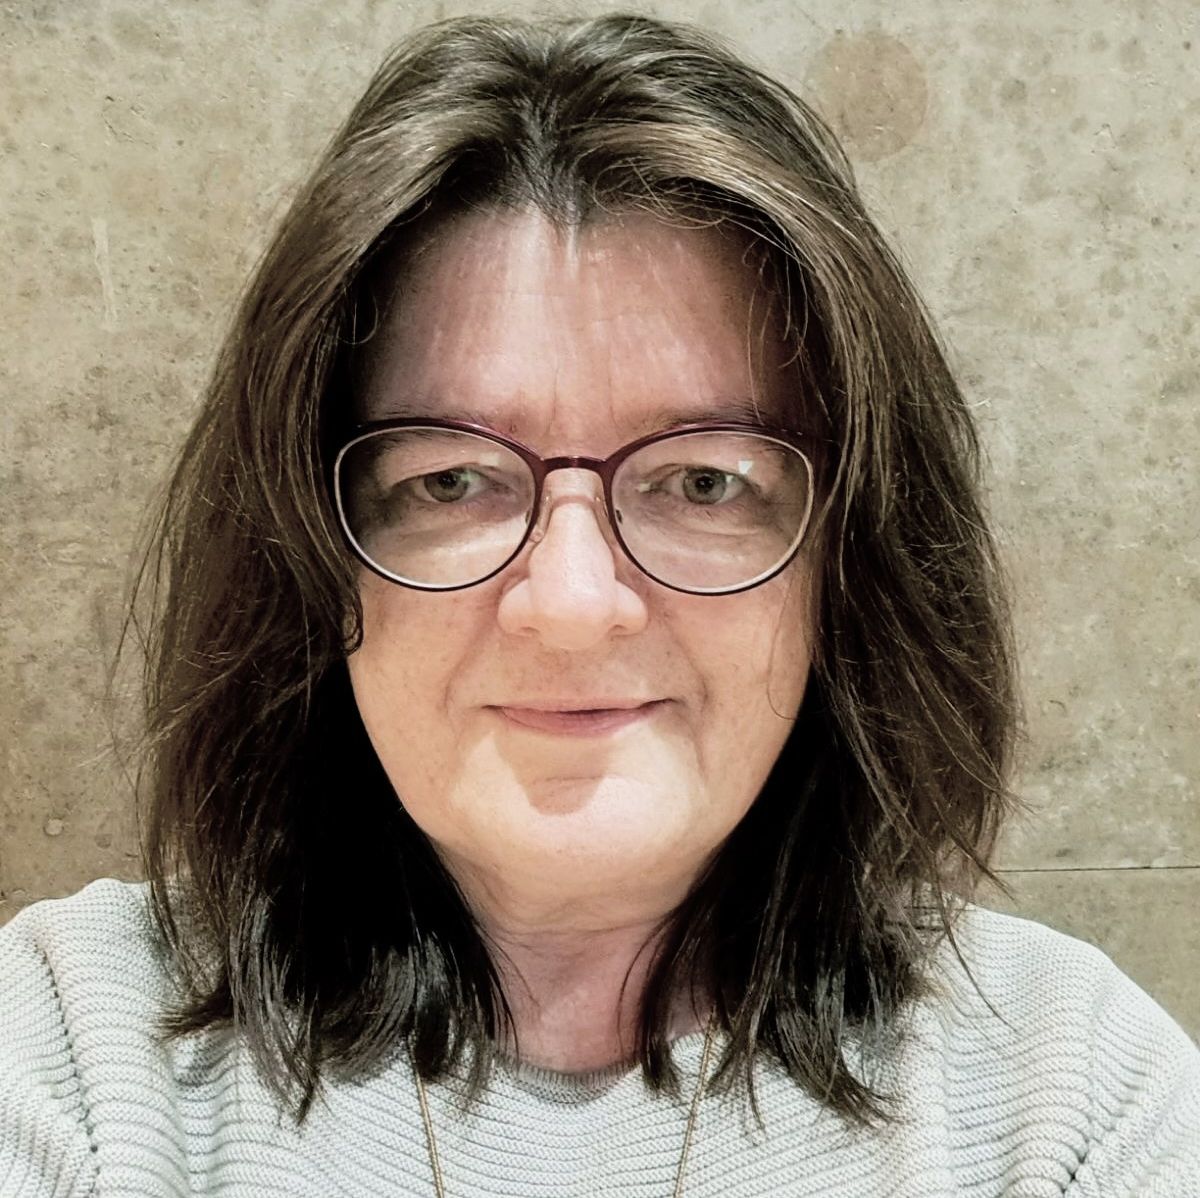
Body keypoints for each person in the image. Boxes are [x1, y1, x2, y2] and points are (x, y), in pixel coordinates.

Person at [1, 12, 1196, 1197]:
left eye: (706, 481)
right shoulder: (74, 1051)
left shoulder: (1070, 1096)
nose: (572, 605)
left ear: (849, 561)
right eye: (450, 479)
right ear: (310, 549)